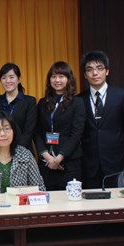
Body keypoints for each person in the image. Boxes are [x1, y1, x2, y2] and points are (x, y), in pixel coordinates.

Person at [78, 51, 124, 188]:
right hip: (89, 163)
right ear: (85, 75)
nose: (95, 73)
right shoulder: (79, 99)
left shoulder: (122, 95)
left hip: (116, 161)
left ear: (107, 71)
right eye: (90, 69)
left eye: (99, 68)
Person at [35, 62, 85, 191]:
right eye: (53, 76)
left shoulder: (77, 102)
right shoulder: (42, 102)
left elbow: (76, 134)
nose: (57, 80)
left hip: (69, 163)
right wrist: (46, 155)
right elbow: (37, 132)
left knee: (70, 204)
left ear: (68, 79)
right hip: (46, 163)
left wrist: (59, 158)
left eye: (61, 76)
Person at [0, 63, 37, 153]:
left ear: (19, 79)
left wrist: (14, 151)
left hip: (22, 152)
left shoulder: (30, 101)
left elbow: (29, 131)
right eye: (4, 78)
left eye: (11, 77)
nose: (7, 81)